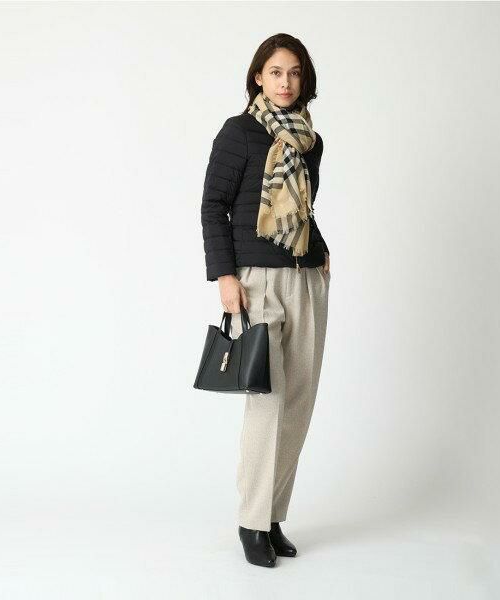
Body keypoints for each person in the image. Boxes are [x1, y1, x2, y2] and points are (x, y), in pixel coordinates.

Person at [200, 33, 331, 568]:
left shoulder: (310, 141)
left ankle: (274, 516)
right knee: (268, 401)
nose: (285, 82)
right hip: (257, 280)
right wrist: (224, 276)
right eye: (276, 71)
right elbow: (214, 206)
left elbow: (301, 210)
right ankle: (251, 520)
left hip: (306, 277)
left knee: (298, 402)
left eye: (294, 72)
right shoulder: (239, 132)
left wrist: (322, 251)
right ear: (258, 76)